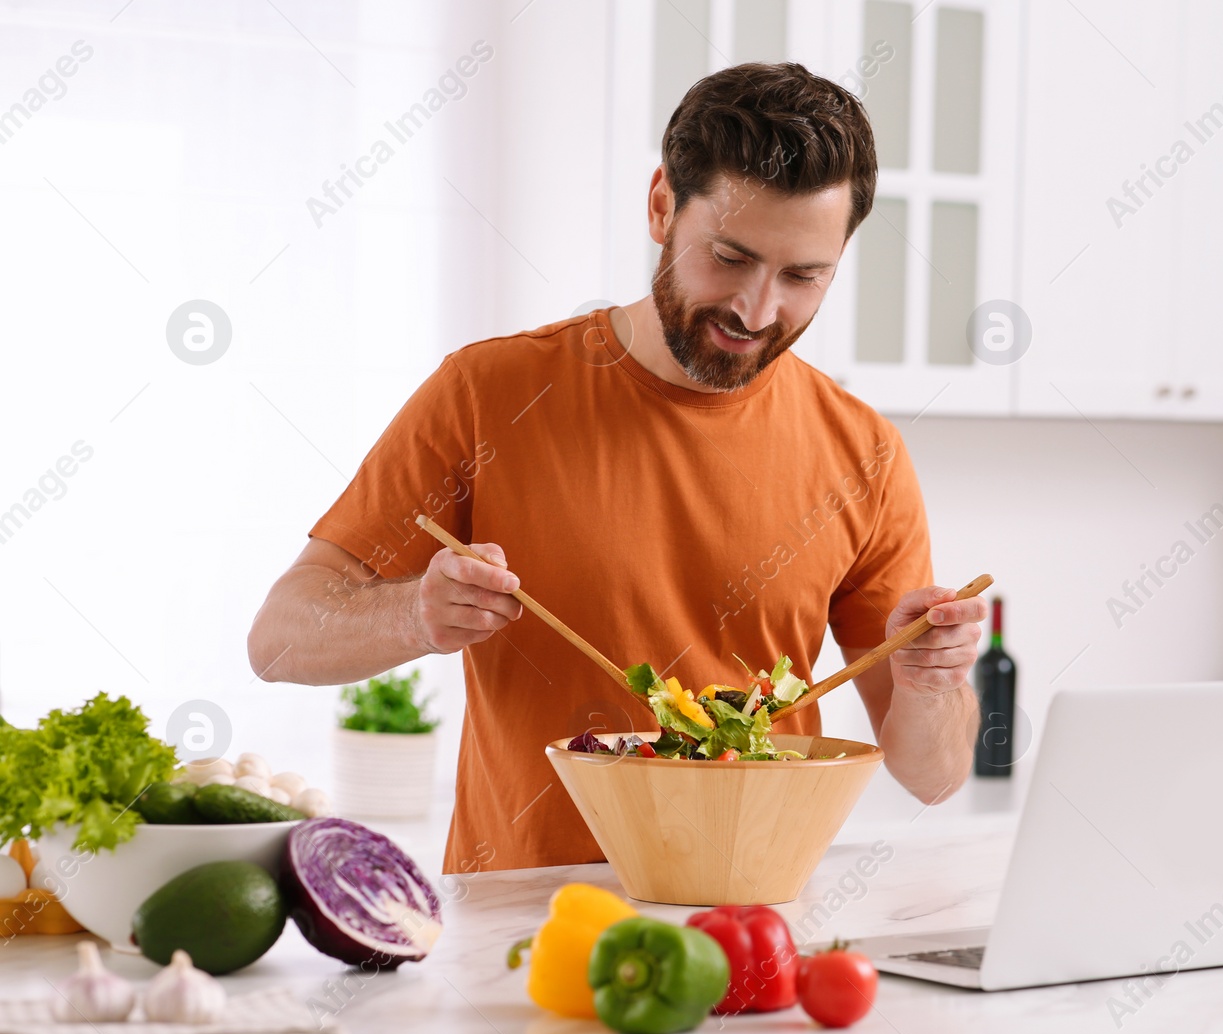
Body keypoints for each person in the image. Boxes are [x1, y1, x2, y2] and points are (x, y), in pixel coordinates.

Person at [247, 62, 987, 873]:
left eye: (804, 276)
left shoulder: (864, 451)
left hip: (759, 926)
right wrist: (413, 616)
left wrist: (929, 682)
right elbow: (278, 638)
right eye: (731, 257)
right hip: (526, 928)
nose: (758, 309)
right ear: (662, 204)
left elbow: (936, 773)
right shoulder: (488, 392)